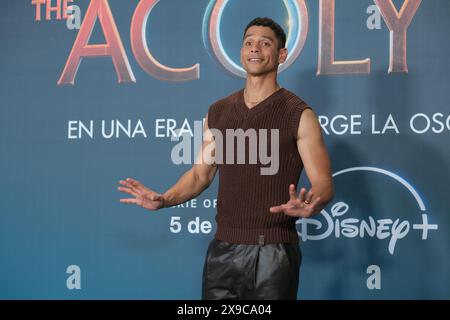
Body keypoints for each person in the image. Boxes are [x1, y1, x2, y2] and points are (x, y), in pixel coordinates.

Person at [118, 17, 334, 300]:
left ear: (281, 55)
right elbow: (200, 175)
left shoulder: (299, 114)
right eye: (248, 42)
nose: (255, 48)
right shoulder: (218, 112)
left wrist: (310, 204)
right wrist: (165, 199)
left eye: (264, 43)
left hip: (274, 251)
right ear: (242, 52)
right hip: (223, 250)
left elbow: (323, 183)